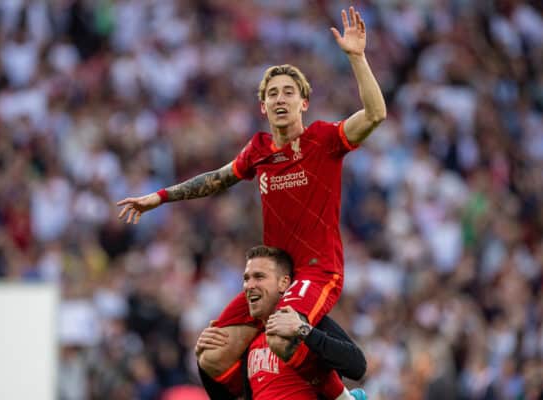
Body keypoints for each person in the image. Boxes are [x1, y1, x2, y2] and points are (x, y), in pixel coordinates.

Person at [117, 6, 385, 399]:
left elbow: (376, 114)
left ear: (303, 103)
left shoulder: (324, 140)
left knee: (280, 335)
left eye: (289, 92)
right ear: (263, 107)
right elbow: (215, 180)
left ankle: (346, 398)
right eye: (272, 93)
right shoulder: (257, 151)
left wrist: (357, 58)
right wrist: (159, 197)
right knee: (210, 354)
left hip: (316, 271)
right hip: (275, 275)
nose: (280, 99)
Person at [195, 245, 368, 400]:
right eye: (246, 278)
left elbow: (357, 366)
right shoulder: (250, 344)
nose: (249, 285)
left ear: (283, 283)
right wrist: (204, 361)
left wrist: (304, 330)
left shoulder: (305, 321)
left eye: (259, 277)